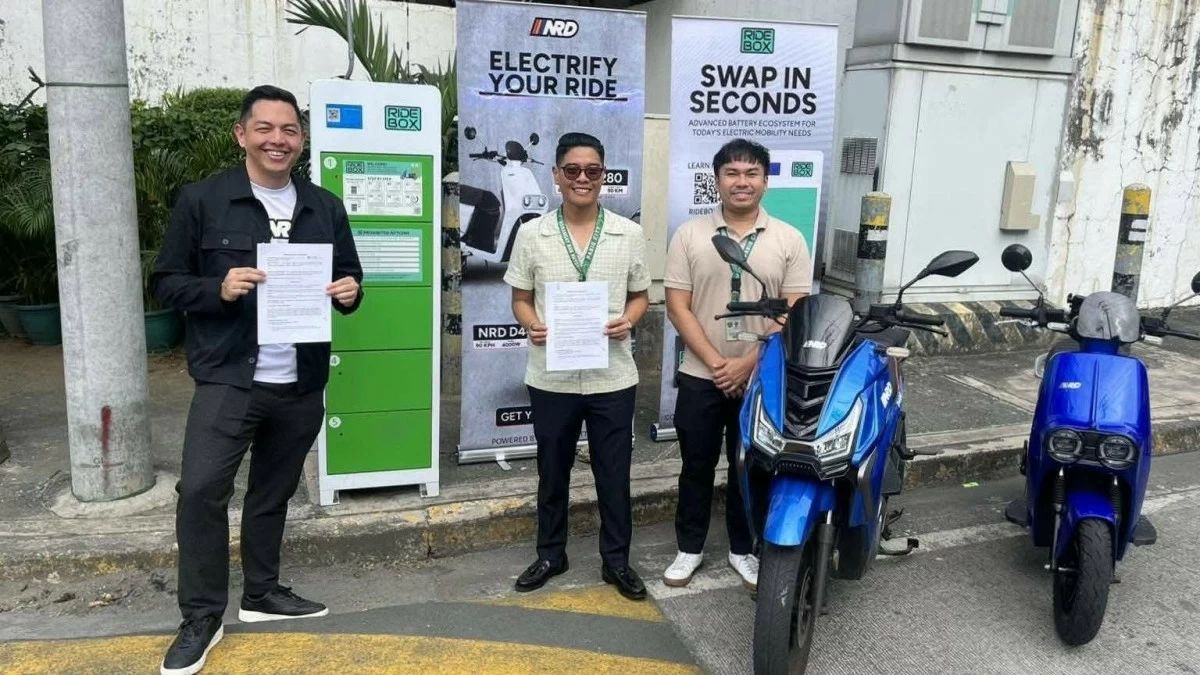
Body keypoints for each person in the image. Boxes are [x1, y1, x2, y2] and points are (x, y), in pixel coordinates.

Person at [151, 85, 363, 675]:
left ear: (301, 139)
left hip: (299, 381)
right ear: (242, 134)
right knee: (199, 491)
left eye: (290, 130)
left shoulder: (324, 205)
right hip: (228, 378)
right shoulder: (203, 200)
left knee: (273, 492)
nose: (278, 139)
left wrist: (351, 292)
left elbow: (349, 276)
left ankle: (263, 592)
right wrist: (215, 290)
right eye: (265, 128)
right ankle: (201, 617)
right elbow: (166, 281)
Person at [504, 132, 651, 600]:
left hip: (612, 374)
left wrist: (628, 320)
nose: (582, 179)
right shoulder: (533, 233)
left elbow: (642, 295)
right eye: (572, 171)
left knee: (614, 470)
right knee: (553, 468)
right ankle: (551, 553)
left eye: (592, 171)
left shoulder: (628, 234)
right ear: (556, 176)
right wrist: (532, 325)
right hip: (552, 374)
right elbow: (520, 298)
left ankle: (617, 561)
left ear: (603, 177)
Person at [662, 138, 811, 591]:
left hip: (762, 375)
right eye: (732, 173)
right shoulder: (690, 234)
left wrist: (748, 363)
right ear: (718, 180)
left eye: (751, 174)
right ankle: (689, 549)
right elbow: (677, 306)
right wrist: (715, 363)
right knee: (696, 465)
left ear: (765, 181)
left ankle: (743, 549)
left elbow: (794, 310)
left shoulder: (789, 238)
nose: (741, 182)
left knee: (753, 465)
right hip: (700, 375)